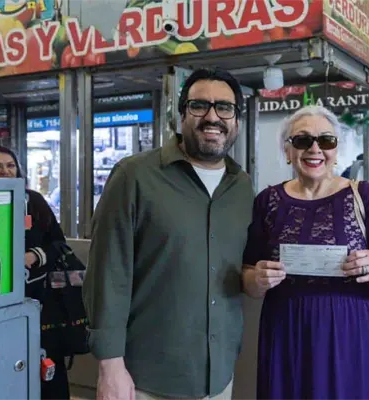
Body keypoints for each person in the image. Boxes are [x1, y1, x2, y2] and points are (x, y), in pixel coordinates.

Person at [83, 68, 255, 400]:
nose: (212, 117)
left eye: (224, 107)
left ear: (236, 120)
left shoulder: (242, 187)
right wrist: (110, 367)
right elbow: (108, 273)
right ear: (181, 115)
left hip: (219, 376)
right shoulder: (134, 176)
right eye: (199, 105)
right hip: (147, 379)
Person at [241, 105, 369, 400]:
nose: (315, 149)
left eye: (326, 140)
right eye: (302, 140)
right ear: (287, 150)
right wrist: (258, 279)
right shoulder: (267, 201)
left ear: (336, 149)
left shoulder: (363, 196)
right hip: (286, 333)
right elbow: (248, 278)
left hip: (350, 333)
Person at [0, 145, 70, 400]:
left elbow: (59, 244)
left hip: (38, 302)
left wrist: (34, 256)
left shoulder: (33, 201)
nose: (5, 171)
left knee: (47, 371)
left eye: (10, 165)